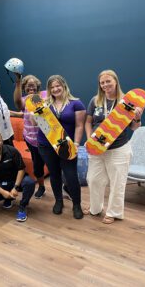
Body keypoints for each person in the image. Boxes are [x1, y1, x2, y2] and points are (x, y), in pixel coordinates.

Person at [84, 70, 143, 224]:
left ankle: (113, 212)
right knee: (93, 179)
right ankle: (95, 208)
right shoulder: (95, 100)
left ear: (116, 81)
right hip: (97, 148)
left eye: (108, 81)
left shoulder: (127, 102)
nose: (105, 85)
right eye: (102, 83)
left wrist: (137, 117)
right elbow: (88, 122)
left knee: (117, 182)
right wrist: (90, 137)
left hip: (118, 149)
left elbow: (134, 128)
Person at [36, 75, 86, 219]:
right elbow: (37, 124)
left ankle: (77, 204)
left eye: (58, 85)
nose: (55, 89)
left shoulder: (76, 103)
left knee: (71, 176)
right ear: (49, 89)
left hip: (67, 146)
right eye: (52, 87)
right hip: (46, 145)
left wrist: (76, 143)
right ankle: (58, 201)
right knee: (54, 174)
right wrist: (35, 115)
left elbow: (79, 125)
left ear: (64, 86)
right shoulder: (45, 104)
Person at [0, 131, 35, 222]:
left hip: (16, 181)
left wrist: (16, 187)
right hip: (1, 183)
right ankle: (8, 198)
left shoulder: (12, 151)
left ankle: (22, 206)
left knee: (29, 182)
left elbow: (21, 169)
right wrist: (3, 192)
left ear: (2, 141)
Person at [13, 74, 47, 199]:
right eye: (27, 85)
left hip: (47, 138)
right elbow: (17, 103)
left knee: (54, 164)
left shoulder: (45, 95)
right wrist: (17, 82)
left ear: (38, 86)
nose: (30, 87)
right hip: (31, 139)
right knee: (37, 165)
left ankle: (61, 188)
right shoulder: (24, 99)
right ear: (24, 88)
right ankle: (42, 187)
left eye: (33, 85)